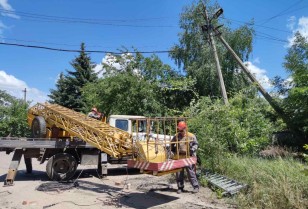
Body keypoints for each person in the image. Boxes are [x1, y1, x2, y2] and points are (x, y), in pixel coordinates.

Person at [171, 121, 199, 194]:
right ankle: (180, 187)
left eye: (181, 130)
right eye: (179, 130)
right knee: (179, 173)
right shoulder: (176, 136)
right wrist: (172, 150)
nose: (180, 131)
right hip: (179, 156)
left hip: (188, 156)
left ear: (185, 128)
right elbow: (171, 143)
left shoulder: (191, 136)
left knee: (191, 172)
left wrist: (192, 149)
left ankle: (195, 186)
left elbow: (196, 144)